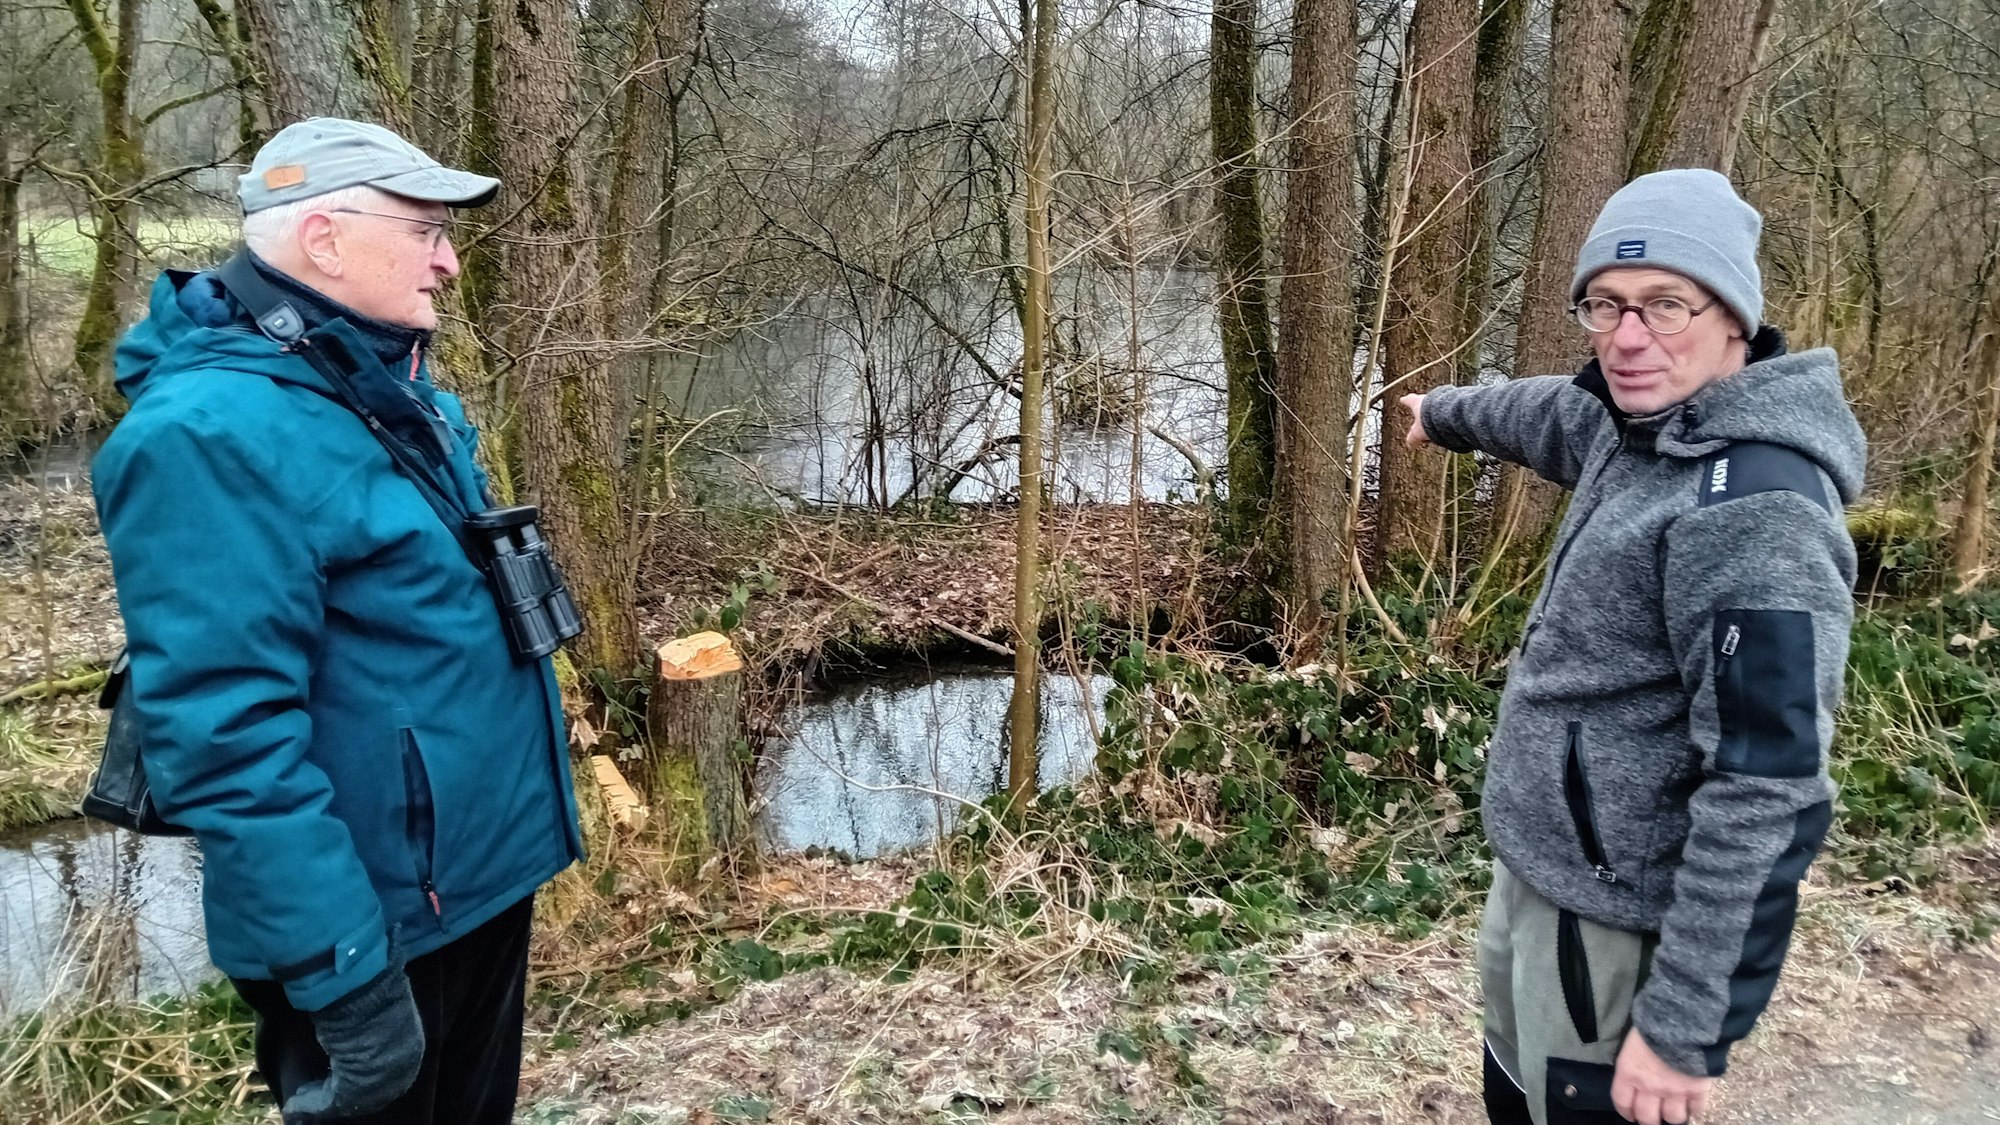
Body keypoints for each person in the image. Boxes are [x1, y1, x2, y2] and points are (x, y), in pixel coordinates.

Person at [93, 118, 584, 1123]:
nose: (448, 263)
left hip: (464, 891)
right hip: (371, 926)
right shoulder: (206, 433)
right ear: (325, 237)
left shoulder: (374, 387)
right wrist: (344, 976)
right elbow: (224, 737)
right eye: (425, 233)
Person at [1399, 169, 1865, 1125]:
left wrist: (1687, 1026)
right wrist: (1438, 413)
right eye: (1605, 306)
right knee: (1514, 1093)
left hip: (1615, 920)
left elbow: (1767, 784)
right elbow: (1540, 414)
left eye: (1665, 305)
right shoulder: (1635, 426)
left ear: (1734, 316)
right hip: (1541, 874)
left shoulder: (1756, 515)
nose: (1627, 337)